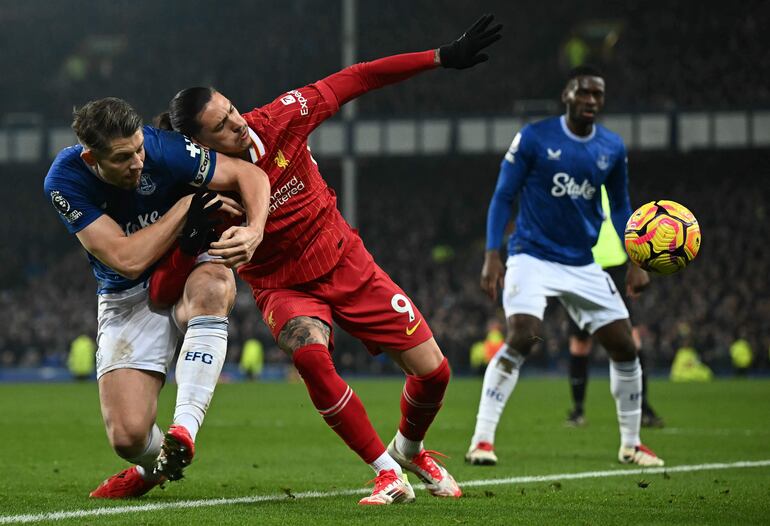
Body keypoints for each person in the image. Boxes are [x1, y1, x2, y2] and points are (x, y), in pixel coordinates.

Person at [153, 14, 502, 505]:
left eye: (231, 111)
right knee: (311, 357)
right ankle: (385, 471)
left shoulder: (281, 118)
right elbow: (164, 277)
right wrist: (193, 236)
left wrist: (440, 57)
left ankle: (410, 448)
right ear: (200, 145)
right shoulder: (194, 187)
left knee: (435, 374)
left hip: (345, 261)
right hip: (283, 285)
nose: (238, 123)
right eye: (223, 128)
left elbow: (358, 76)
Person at [44, 97, 270, 498]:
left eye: (138, 149)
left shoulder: (163, 148)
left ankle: (184, 427)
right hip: (126, 293)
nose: (137, 162)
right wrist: (184, 207)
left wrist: (254, 230)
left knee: (214, 287)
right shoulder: (65, 180)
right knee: (127, 437)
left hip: (188, 265)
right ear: (91, 157)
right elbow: (127, 259)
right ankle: (157, 467)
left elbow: (250, 176)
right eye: (122, 157)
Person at [465, 66, 664, 468]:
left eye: (598, 95)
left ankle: (631, 444)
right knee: (523, 335)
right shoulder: (535, 137)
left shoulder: (612, 147)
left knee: (624, 346)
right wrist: (492, 254)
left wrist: (636, 259)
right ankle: (481, 441)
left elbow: (622, 206)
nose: (591, 100)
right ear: (566, 96)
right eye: (584, 92)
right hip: (531, 255)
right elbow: (504, 194)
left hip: (582, 262)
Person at [565, 186, 664, 428]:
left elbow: (628, 224)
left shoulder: (610, 181)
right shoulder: (575, 184)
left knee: (631, 338)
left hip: (617, 269)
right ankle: (578, 410)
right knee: (580, 342)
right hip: (582, 268)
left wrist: (635, 263)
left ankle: (642, 407)